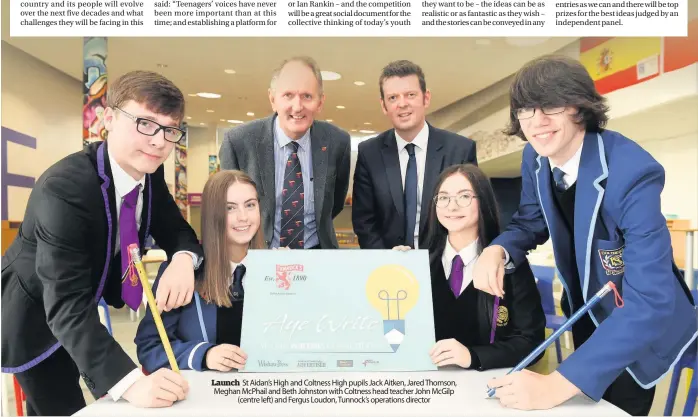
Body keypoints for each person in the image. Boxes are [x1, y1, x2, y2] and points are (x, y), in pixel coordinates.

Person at [474, 55, 697, 415]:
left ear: (580, 106)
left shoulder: (634, 172)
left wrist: (552, 385)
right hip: (585, 310)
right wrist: (497, 250)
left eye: (551, 105)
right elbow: (531, 221)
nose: (537, 122)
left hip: (636, 326)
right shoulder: (534, 157)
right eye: (526, 110)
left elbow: (651, 302)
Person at [1, 70, 204, 415]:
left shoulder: (149, 177)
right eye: (145, 123)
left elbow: (178, 230)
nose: (159, 141)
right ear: (108, 118)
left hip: (83, 303)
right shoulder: (65, 188)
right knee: (63, 407)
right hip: (34, 313)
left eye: (170, 130)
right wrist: (131, 383)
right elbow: (65, 305)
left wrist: (183, 259)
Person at [394, 164, 545, 371]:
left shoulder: (508, 263)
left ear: (483, 202)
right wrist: (392, 272)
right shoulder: (418, 264)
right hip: (425, 384)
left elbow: (532, 342)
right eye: (443, 197)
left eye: (464, 197)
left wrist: (474, 356)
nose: (452, 206)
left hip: (485, 388)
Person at [136, 170, 267, 374]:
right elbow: (150, 346)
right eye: (229, 208)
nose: (243, 217)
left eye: (250, 205)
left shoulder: (278, 269)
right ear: (213, 215)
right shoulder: (182, 272)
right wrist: (204, 355)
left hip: (268, 395)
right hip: (203, 398)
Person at [218, 56, 351, 250]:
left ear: (320, 102)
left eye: (307, 96)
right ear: (273, 99)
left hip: (318, 257)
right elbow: (227, 210)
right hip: (258, 257)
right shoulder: (238, 142)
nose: (297, 107)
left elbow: (335, 204)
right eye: (288, 95)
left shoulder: (337, 142)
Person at [352, 60, 478, 250]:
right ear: (384, 105)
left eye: (410, 95)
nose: (402, 104)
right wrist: (388, 258)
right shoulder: (369, 153)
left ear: (426, 98)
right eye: (393, 98)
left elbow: (470, 215)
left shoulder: (460, 149)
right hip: (389, 268)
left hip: (445, 267)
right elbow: (364, 220)